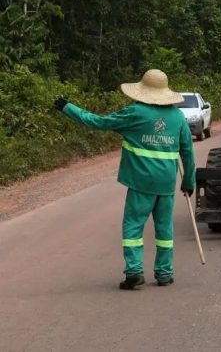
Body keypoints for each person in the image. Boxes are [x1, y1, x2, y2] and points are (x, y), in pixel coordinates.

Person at [53, 69, 195, 289]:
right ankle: (164, 273)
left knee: (133, 228)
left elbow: (98, 122)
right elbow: (188, 152)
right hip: (166, 184)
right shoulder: (177, 117)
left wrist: (68, 108)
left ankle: (134, 272)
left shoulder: (135, 113)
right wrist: (189, 182)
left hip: (141, 183)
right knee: (165, 230)